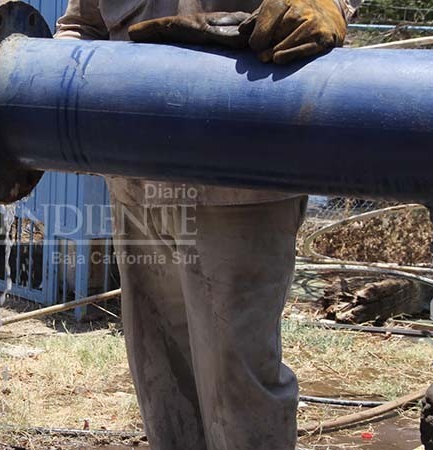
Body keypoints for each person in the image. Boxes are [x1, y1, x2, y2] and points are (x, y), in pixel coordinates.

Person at [55, 1, 356, 449]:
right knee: (163, 376)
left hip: (240, 178)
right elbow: (81, 27)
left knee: (238, 389)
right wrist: (60, 101)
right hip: (137, 177)